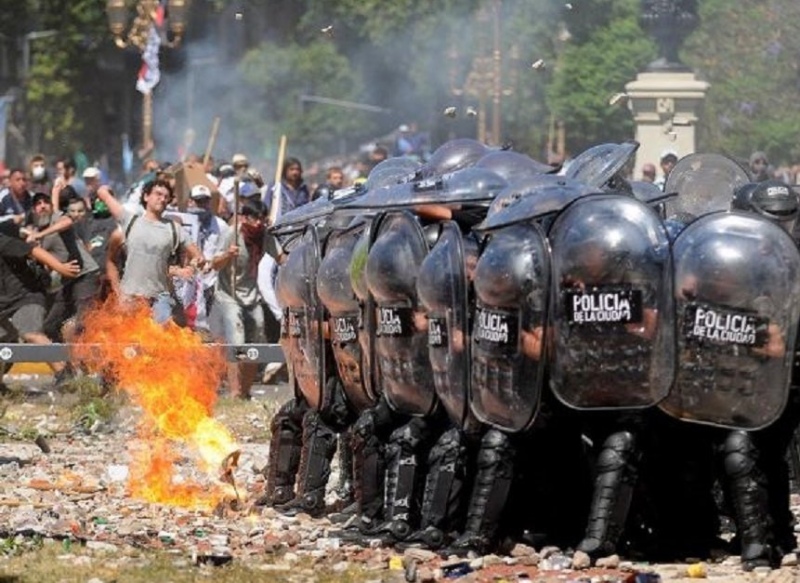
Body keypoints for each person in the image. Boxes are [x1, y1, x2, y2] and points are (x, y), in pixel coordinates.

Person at [96, 179, 205, 324]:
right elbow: (110, 262)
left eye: (166, 197)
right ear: (146, 197)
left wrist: (190, 267)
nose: (163, 199)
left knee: (162, 341)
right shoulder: (130, 221)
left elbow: (198, 257)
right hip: (130, 297)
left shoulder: (174, 229)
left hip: (160, 299)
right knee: (128, 343)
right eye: (158, 194)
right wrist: (118, 292)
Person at [0, 222, 81, 384]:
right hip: (3, 305)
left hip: (25, 296)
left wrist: (61, 268)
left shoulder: (2, 241)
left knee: (30, 332)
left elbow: (32, 249)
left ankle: (66, 375)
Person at [209, 199, 269, 399]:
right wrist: (228, 254)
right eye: (254, 218)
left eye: (262, 218)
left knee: (256, 340)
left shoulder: (263, 236)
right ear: (244, 218)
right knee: (237, 341)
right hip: (229, 295)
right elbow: (214, 264)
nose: (258, 223)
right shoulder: (231, 234)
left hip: (252, 295)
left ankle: (246, 391)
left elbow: (281, 258)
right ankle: (235, 392)